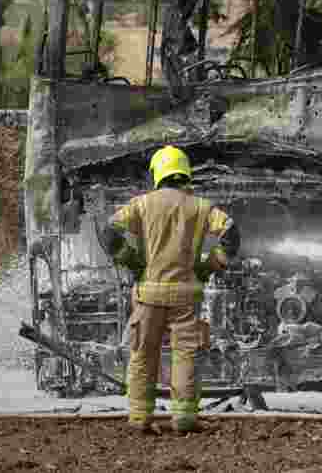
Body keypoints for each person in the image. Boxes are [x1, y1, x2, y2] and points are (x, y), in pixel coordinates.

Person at [100, 145, 241, 434]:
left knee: (142, 355)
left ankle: (140, 420)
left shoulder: (140, 204)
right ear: (184, 172)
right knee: (185, 356)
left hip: (147, 297)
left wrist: (132, 261)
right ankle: (185, 420)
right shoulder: (201, 207)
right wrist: (207, 267)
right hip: (185, 298)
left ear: (158, 173)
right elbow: (231, 235)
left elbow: (108, 232)